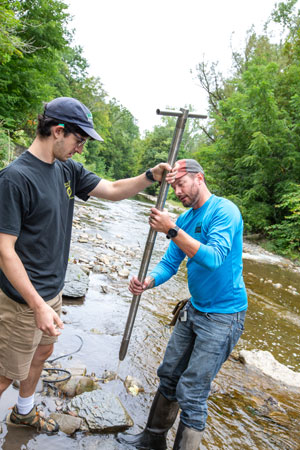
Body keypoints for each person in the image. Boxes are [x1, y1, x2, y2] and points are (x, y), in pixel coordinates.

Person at [0, 96, 177, 433]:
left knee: (42, 354)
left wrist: (150, 176)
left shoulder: (66, 169)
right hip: (23, 300)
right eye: (78, 140)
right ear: (57, 131)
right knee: (6, 371)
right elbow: (5, 251)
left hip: (51, 291)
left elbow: (111, 190)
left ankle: (23, 412)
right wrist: (37, 305)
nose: (80, 149)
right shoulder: (14, 178)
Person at [118, 159, 247, 450]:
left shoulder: (224, 211)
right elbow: (170, 263)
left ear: (199, 178)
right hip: (195, 309)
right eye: (172, 185)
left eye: (181, 183)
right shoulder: (187, 219)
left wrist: (171, 229)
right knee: (169, 375)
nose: (176, 190)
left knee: (193, 391)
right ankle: (152, 440)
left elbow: (214, 258)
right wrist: (148, 281)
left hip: (224, 316)